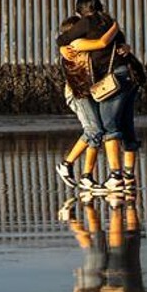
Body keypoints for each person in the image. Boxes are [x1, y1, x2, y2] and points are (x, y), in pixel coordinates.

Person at [57, 0, 144, 193]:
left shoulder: (85, 26)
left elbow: (64, 39)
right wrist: (116, 29)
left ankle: (113, 176)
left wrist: (62, 46)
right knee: (120, 127)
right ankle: (125, 176)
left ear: (81, 11)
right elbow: (107, 44)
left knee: (106, 128)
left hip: (111, 81)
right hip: (126, 80)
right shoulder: (109, 24)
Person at [54, 16, 112, 191]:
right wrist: (115, 27)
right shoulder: (77, 44)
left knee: (96, 132)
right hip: (77, 94)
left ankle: (87, 176)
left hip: (86, 92)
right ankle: (67, 164)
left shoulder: (75, 45)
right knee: (94, 130)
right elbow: (103, 42)